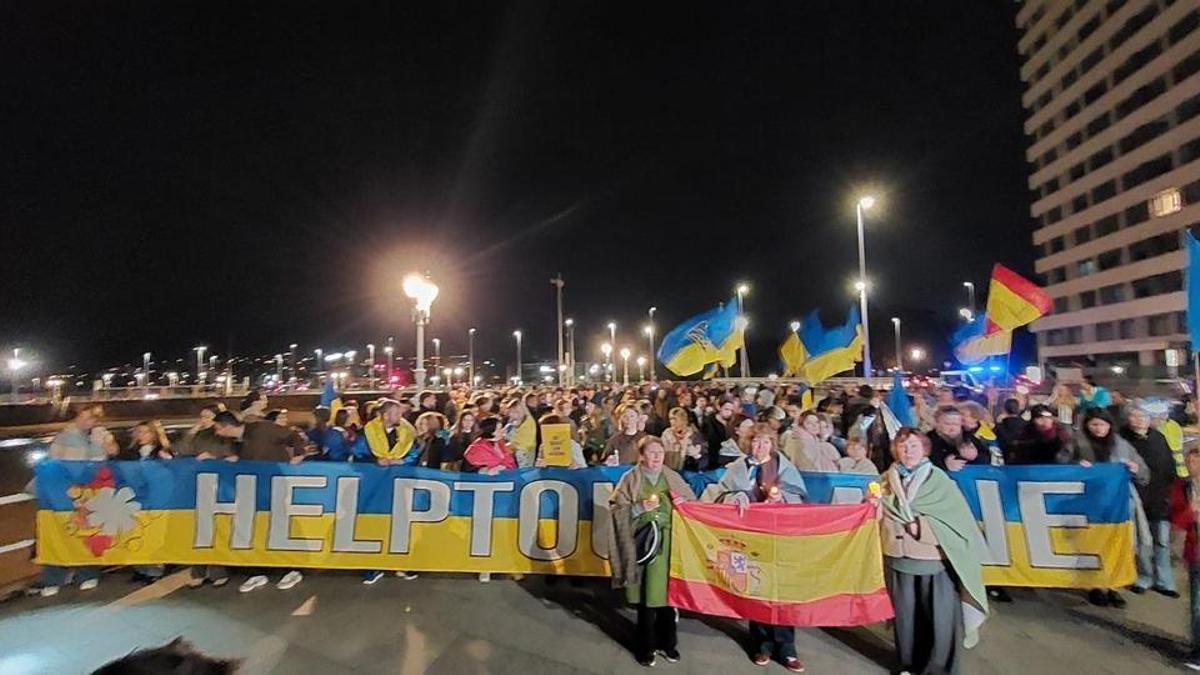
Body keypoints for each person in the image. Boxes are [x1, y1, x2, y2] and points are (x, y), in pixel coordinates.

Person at [878, 428, 989, 674]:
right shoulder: (885, 480)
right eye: (902, 446)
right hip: (898, 558)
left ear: (925, 449)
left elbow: (957, 522)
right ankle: (909, 663)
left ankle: (938, 669)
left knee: (939, 619)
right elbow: (878, 514)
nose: (908, 452)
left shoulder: (938, 481)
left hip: (933, 561)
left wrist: (922, 528)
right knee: (906, 619)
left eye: (914, 446)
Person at [713, 423, 807, 672]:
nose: (760, 446)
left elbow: (799, 496)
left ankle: (786, 647)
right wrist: (737, 496)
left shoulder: (783, 466)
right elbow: (720, 493)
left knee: (781, 590)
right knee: (757, 586)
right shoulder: (738, 467)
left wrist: (782, 497)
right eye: (756, 441)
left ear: (772, 444)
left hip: (779, 536)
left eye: (765, 442)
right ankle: (761, 643)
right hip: (751, 537)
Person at [609, 435, 697, 667]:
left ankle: (668, 643)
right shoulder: (631, 478)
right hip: (644, 545)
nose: (657, 457)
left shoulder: (671, 477)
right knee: (647, 599)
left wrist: (681, 505)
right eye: (651, 453)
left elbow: (691, 503)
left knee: (669, 596)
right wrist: (639, 508)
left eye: (660, 452)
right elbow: (616, 508)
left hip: (669, 544)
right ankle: (645, 646)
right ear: (642, 456)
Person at [1061, 407, 1149, 608]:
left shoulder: (1122, 446)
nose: (1099, 429)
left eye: (1102, 424)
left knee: (1118, 546)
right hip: (1090, 504)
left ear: (1110, 426)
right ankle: (1096, 586)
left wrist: (1135, 469)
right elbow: (1061, 466)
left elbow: (1144, 473)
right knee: (1093, 545)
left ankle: (1114, 586)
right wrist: (1076, 466)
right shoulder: (1076, 444)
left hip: (1118, 506)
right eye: (1094, 424)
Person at [212, 411, 307, 593]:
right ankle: (258, 571)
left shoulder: (262, 428)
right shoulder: (236, 442)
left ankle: (292, 569)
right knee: (256, 528)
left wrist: (299, 455)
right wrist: (236, 459)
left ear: (227, 426)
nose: (217, 433)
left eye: (218, 428)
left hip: (276, 484)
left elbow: (293, 435)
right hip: (254, 488)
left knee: (279, 526)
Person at [37, 405, 117, 596]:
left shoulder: (98, 435)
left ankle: (87, 573)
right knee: (60, 530)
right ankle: (54, 577)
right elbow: (52, 463)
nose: (86, 421)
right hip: (66, 492)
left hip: (92, 492)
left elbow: (113, 452)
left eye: (91, 418)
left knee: (88, 532)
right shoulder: (65, 436)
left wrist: (104, 439)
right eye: (84, 417)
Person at [1122, 404, 1179, 597]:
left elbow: (1170, 466)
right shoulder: (1122, 440)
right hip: (1137, 499)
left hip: (1161, 498)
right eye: (1134, 416)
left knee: (1162, 541)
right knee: (1142, 542)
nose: (1138, 420)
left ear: (1149, 419)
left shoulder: (1159, 438)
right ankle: (1144, 577)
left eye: (1142, 416)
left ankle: (1165, 581)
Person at [464, 416, 518, 583]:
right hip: (484, 495)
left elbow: (512, 465)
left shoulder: (503, 446)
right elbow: (467, 471)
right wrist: (487, 471)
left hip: (505, 494)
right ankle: (484, 567)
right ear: (492, 430)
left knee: (504, 530)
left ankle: (506, 565)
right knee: (484, 530)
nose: (503, 430)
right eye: (500, 427)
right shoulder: (476, 449)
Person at [1168, 448, 1200, 669]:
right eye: (1190, 461)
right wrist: (1192, 511)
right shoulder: (1184, 486)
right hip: (1195, 550)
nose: (1192, 465)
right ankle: (1197, 646)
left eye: (1197, 461)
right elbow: (1177, 517)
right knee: (1196, 604)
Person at [927, 406, 989, 472]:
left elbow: (986, 457)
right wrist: (944, 465)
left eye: (956, 424)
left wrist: (975, 456)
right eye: (947, 424)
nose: (952, 428)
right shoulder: (929, 439)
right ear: (937, 423)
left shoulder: (967, 436)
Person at [363, 399, 420, 466]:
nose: (400, 417)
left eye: (400, 414)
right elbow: (360, 455)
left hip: (399, 472)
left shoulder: (408, 431)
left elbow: (414, 454)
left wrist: (402, 461)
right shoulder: (368, 430)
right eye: (396, 414)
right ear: (386, 415)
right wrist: (376, 461)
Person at [659, 406, 706, 471]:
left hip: (689, 467)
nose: (672, 422)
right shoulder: (667, 433)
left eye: (675, 419)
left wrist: (694, 453)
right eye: (670, 419)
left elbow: (701, 454)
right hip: (670, 465)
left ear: (683, 419)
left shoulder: (694, 434)